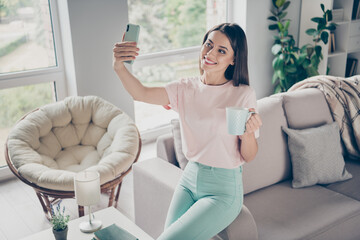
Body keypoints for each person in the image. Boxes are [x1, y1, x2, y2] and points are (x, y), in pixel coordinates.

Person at [113, 22, 262, 240]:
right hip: (189, 179)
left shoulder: (243, 94)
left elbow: (249, 156)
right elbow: (140, 93)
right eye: (208, 45)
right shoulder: (185, 89)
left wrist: (247, 133)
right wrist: (118, 66)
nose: (210, 53)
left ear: (234, 59)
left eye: (221, 51)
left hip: (223, 190)